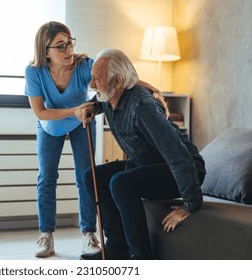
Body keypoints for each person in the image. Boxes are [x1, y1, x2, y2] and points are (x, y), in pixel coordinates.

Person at [25, 22, 165, 258]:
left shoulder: (83, 65)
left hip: (83, 122)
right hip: (51, 124)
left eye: (70, 42)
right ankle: (46, 235)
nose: (68, 50)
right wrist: (75, 109)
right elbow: (41, 112)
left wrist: (152, 88)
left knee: (85, 177)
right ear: (45, 50)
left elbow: (118, 75)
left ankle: (88, 233)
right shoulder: (34, 71)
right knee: (47, 178)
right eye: (60, 46)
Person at [76, 48, 206, 260]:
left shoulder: (143, 107)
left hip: (176, 169)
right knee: (91, 176)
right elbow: (98, 99)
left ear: (117, 81)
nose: (92, 85)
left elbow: (177, 155)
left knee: (121, 183)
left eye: (96, 79)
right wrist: (91, 107)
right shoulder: (110, 96)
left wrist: (191, 204)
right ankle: (117, 249)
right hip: (146, 164)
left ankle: (142, 258)